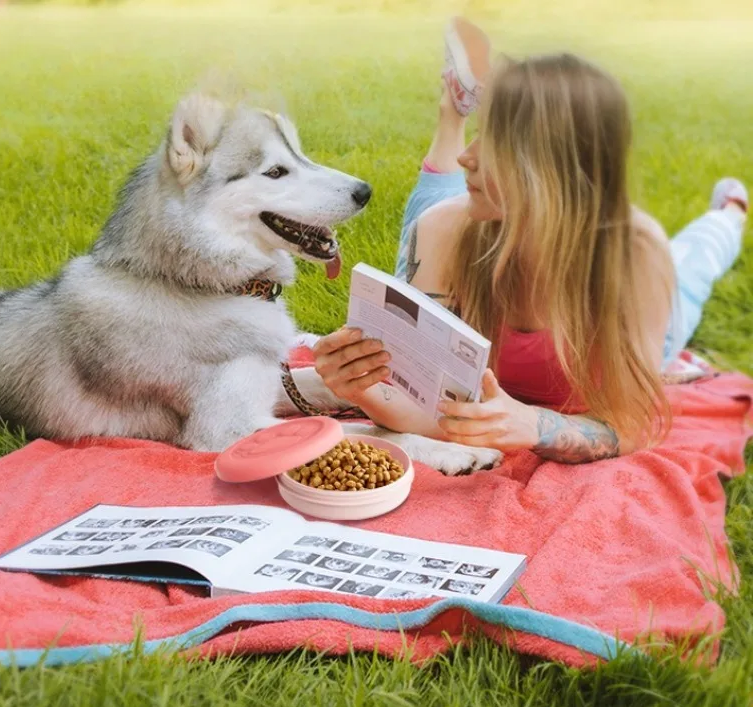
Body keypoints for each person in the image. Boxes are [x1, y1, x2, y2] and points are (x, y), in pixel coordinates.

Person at [313, 18, 748, 465]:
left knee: (692, 267)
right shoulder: (443, 229)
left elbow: (633, 423)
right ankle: (453, 112)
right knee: (436, 209)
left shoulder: (633, 253)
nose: (468, 156)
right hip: (468, 227)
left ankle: (731, 213)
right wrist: (361, 388)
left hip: (629, 283)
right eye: (479, 133)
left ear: (554, 167)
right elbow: (422, 405)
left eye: (495, 142)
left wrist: (534, 426)